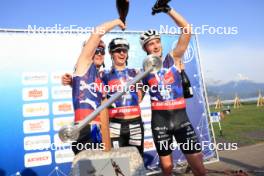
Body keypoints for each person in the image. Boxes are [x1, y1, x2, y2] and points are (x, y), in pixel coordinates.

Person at [139, 3, 206, 176]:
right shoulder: (143, 71)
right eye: (150, 44)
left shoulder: (173, 58)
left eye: (157, 42)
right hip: (159, 123)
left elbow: (187, 30)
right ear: (145, 48)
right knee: (167, 170)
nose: (155, 46)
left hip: (181, 119)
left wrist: (168, 10)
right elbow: (137, 98)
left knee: (199, 169)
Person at [62, 18, 125, 154]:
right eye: (96, 50)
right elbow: (97, 33)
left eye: (102, 51)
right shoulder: (83, 64)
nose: (99, 53)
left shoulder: (99, 77)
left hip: (98, 130)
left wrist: (106, 144)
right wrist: (117, 21)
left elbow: (102, 110)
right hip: (84, 128)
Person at [101, 37, 144, 156]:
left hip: (135, 122)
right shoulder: (104, 74)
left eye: (124, 50)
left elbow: (140, 97)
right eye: (118, 50)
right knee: (118, 162)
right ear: (111, 53)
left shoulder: (136, 72)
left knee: (137, 160)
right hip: (115, 123)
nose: (121, 53)